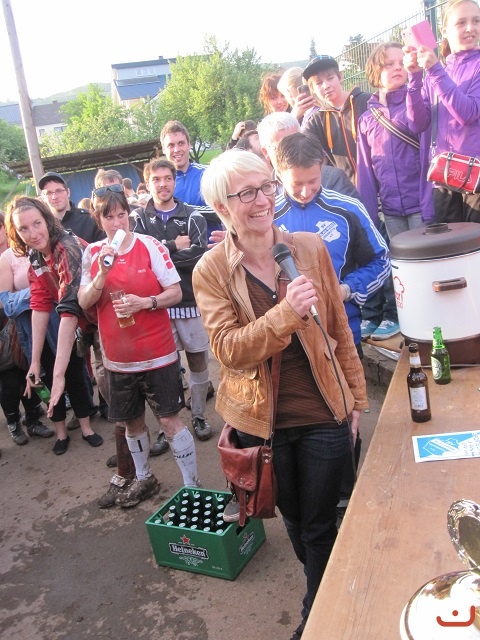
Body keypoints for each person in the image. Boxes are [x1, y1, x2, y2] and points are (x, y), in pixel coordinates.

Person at [192, 149, 368, 640]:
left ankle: (317, 616)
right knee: (292, 519)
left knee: (319, 522)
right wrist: (285, 313)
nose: (262, 200)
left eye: (266, 186)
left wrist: (355, 398)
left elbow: (339, 330)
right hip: (260, 422)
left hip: (322, 411)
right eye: (246, 193)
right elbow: (228, 350)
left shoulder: (308, 247)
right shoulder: (211, 270)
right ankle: (327, 595)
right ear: (222, 207)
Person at [78, 185, 202, 508]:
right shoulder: (93, 254)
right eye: (109, 217)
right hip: (118, 358)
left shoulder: (150, 246)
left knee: (169, 420)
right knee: (132, 423)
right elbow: (84, 301)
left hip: (158, 353)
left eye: (122, 215)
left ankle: (193, 485)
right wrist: (101, 275)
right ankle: (144, 477)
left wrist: (145, 302)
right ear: (99, 220)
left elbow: (175, 292)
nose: (117, 223)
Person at [5, 197, 103, 455]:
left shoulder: (67, 247)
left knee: (113, 382)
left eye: (36, 223)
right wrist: (35, 362)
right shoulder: (36, 255)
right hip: (88, 322)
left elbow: (69, 310)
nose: (32, 234)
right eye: (23, 228)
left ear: (47, 220)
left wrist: (58, 375)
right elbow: (39, 304)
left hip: (107, 317)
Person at [130, 158, 213, 451]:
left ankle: (199, 415)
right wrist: (174, 246)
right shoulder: (138, 218)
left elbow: (199, 255)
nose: (163, 184)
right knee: (163, 369)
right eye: (156, 179)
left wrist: (158, 255)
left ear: (175, 182)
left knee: (198, 360)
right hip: (156, 306)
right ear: (147, 183)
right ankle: (169, 425)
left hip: (190, 300)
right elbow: (138, 257)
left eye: (168, 178)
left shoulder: (193, 216)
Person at [357, 42, 435, 341]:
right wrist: (368, 216)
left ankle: (432, 323)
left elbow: (420, 130)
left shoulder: (418, 100)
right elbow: (366, 171)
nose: (397, 68)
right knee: (400, 267)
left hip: (421, 204)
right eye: (388, 64)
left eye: (401, 62)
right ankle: (409, 321)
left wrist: (416, 81)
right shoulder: (367, 119)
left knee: (425, 265)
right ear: (375, 72)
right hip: (390, 209)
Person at [404, 0, 480, 223]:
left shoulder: (469, 66)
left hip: (476, 175)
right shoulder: (438, 72)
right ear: (444, 30)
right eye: (461, 22)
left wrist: (435, 70)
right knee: (450, 243)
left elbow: (468, 113)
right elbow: (417, 123)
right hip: (444, 175)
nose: (470, 28)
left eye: (476, 21)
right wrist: (415, 77)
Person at [0, 211, 54, 447]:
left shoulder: (25, 250)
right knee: (10, 380)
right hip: (6, 328)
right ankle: (13, 422)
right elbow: (5, 301)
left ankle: (33, 418)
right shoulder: (6, 259)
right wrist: (34, 293)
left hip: (29, 325)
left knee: (32, 374)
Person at [302, 55, 371, 184]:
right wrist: (295, 115)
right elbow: (300, 146)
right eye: (319, 83)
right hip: (348, 189)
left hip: (379, 184)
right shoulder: (317, 120)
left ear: (340, 77)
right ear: (312, 89)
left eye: (330, 78)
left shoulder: (367, 101)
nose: (326, 86)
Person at [160, 120, 222, 236]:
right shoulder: (159, 183)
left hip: (211, 245)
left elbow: (224, 210)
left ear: (189, 145)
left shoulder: (208, 173)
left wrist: (182, 209)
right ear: (163, 149)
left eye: (181, 143)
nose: (176, 150)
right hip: (178, 247)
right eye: (171, 145)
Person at [39, 172, 104, 244]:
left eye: (59, 191)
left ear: (68, 192)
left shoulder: (89, 219)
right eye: (49, 193)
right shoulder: (43, 227)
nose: (54, 197)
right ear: (43, 197)